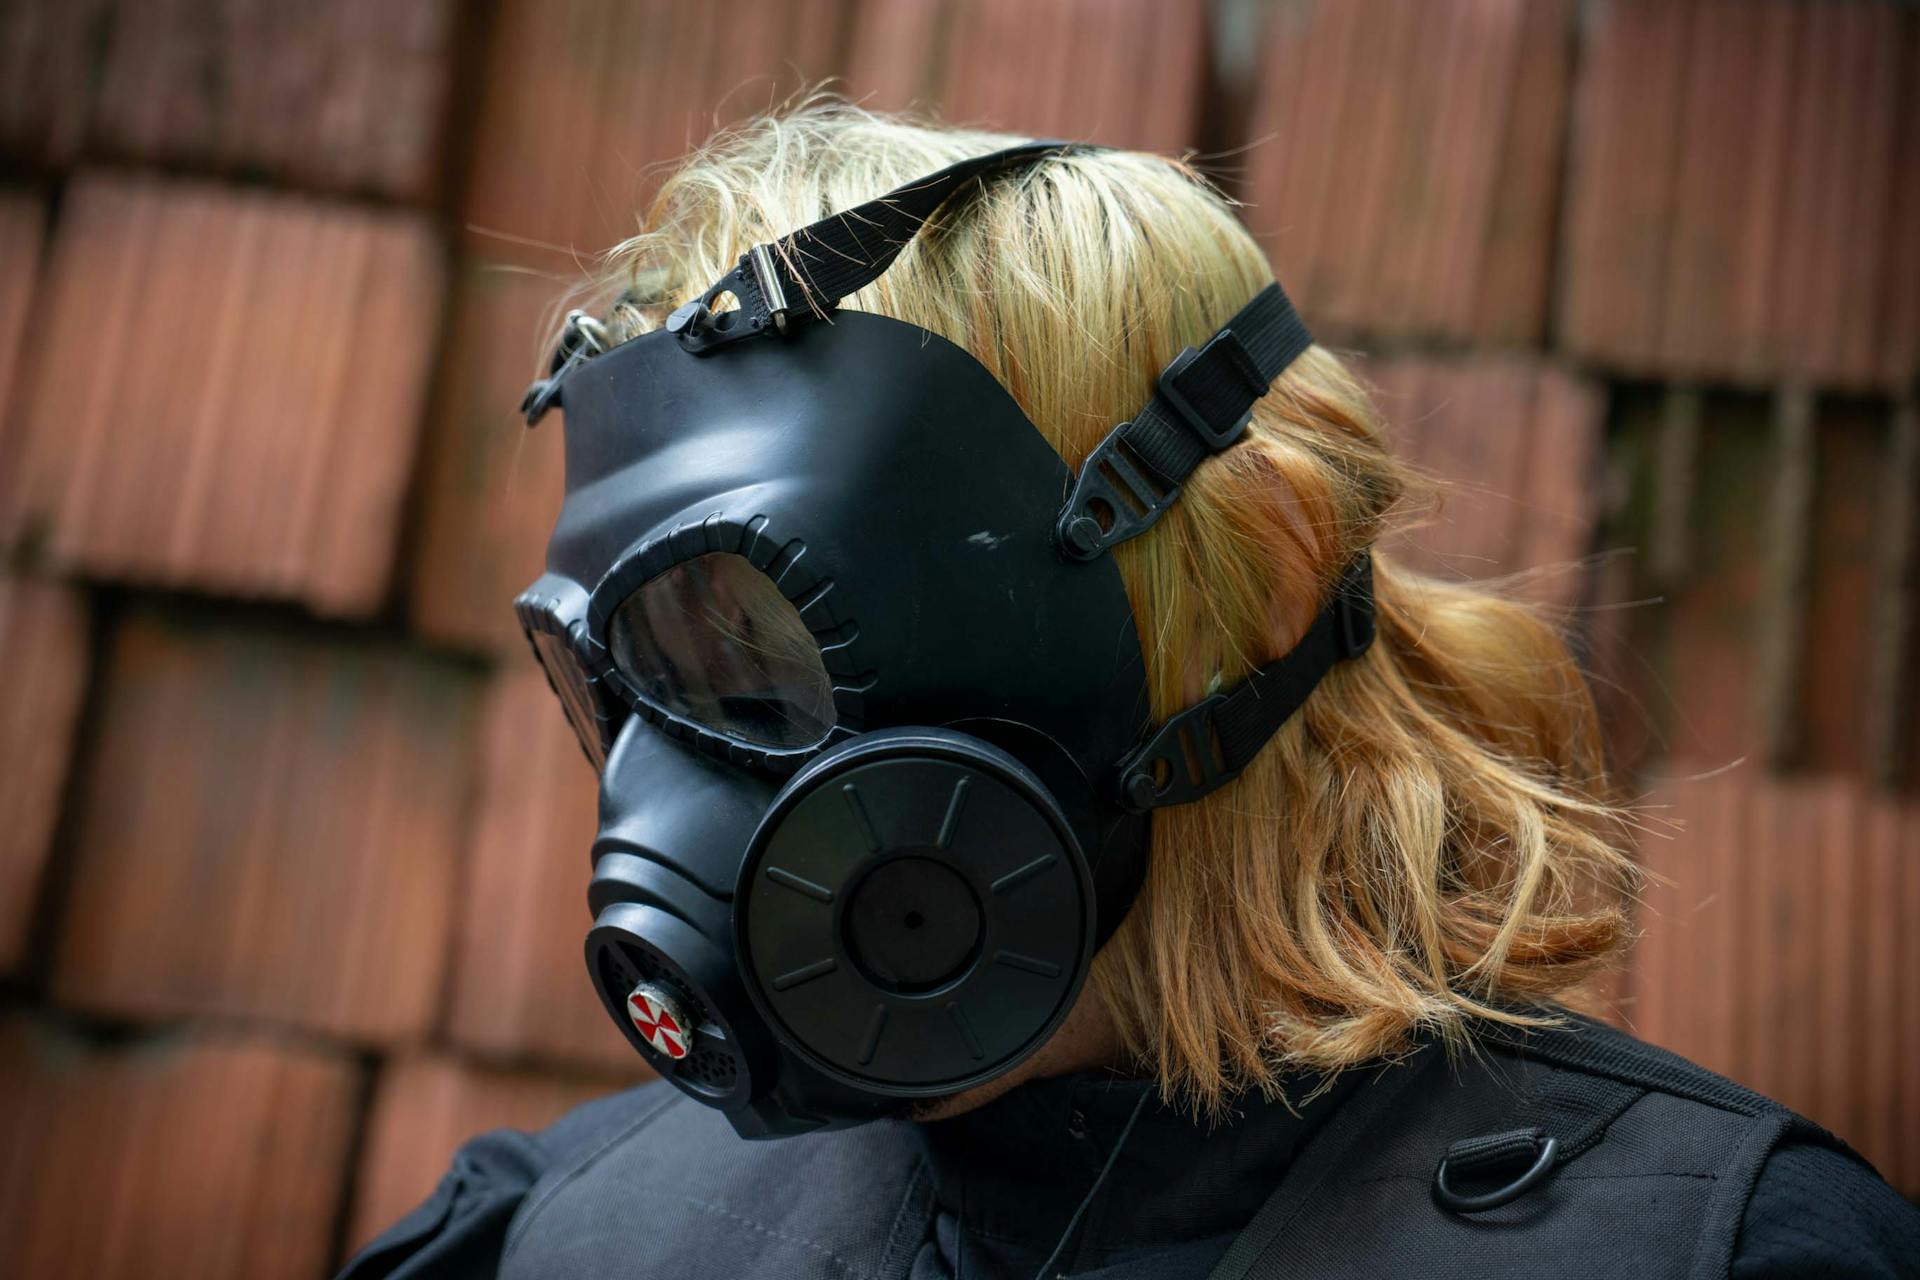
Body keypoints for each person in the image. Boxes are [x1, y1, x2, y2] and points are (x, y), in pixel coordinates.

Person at [343, 103, 1920, 1279]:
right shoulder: (573, 1236)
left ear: (1260, 585)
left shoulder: (1726, 1255)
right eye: (636, 680)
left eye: (774, 647)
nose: (675, 800)